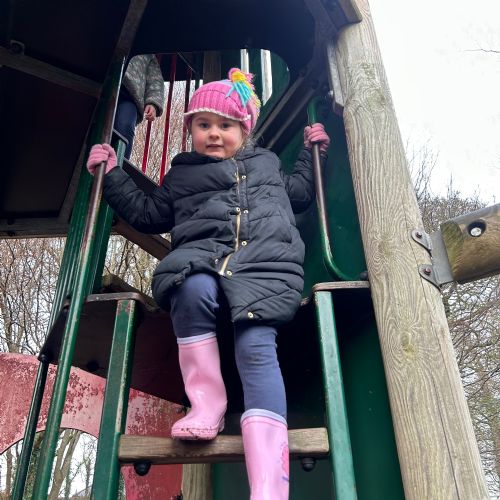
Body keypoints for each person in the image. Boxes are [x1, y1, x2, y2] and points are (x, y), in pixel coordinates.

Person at [87, 68, 330, 500]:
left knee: (255, 349)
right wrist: (112, 174)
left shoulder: (267, 164)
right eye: (203, 124)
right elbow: (146, 214)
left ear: (244, 131)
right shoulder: (182, 175)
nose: (214, 133)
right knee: (190, 287)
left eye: (226, 125)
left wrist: (314, 154)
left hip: (264, 268)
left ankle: (269, 488)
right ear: (191, 131)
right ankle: (207, 404)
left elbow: (300, 192)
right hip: (203, 261)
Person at [115, 54, 165, 159]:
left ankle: (120, 164)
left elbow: (155, 80)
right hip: (103, 85)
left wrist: (153, 103)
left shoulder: (148, 53)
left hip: (129, 96)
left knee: (124, 125)